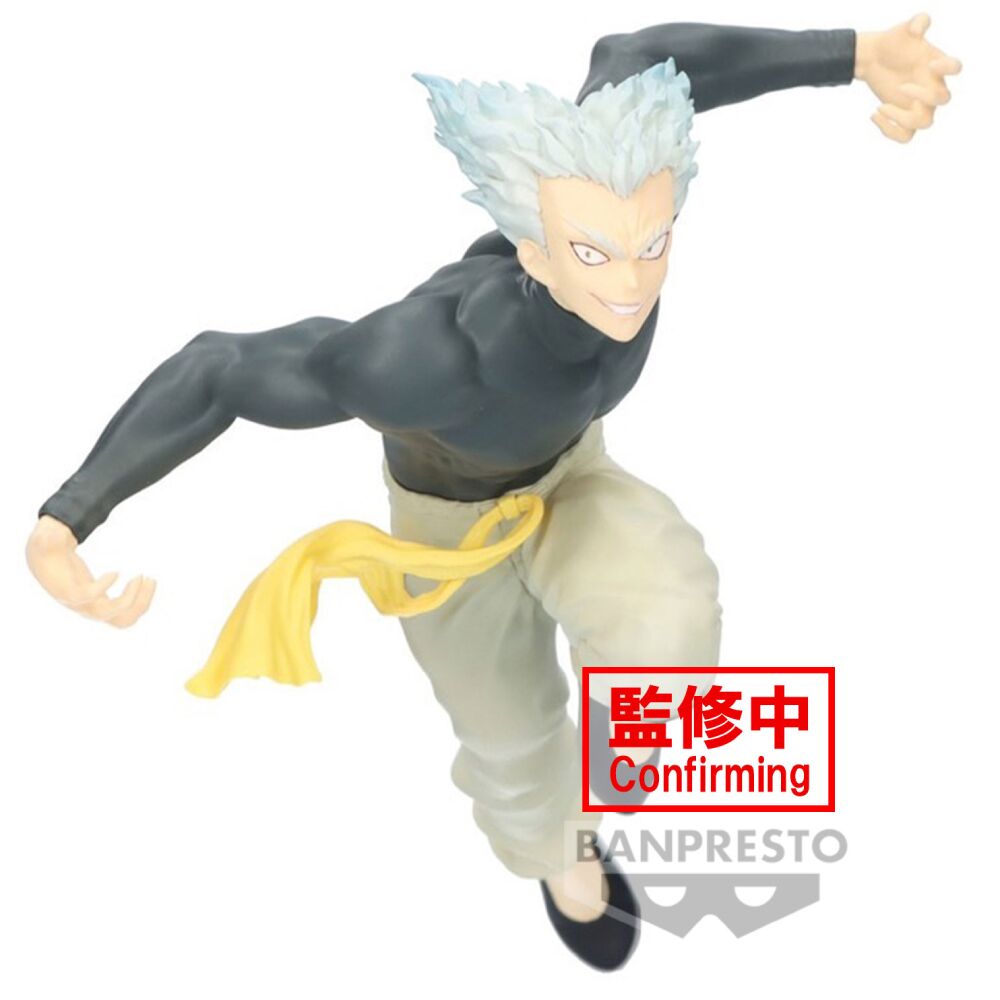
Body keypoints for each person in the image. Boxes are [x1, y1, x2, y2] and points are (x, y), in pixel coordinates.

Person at [25, 16, 960, 971]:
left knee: (671, 629)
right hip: (445, 540)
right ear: (535, 252)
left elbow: (641, 61)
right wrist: (70, 515)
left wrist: (853, 55)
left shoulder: (609, 180)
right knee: (509, 747)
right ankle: (556, 850)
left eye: (654, 243)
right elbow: (219, 368)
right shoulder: (424, 358)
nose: (630, 282)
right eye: (592, 255)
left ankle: (602, 795)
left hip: (572, 476)